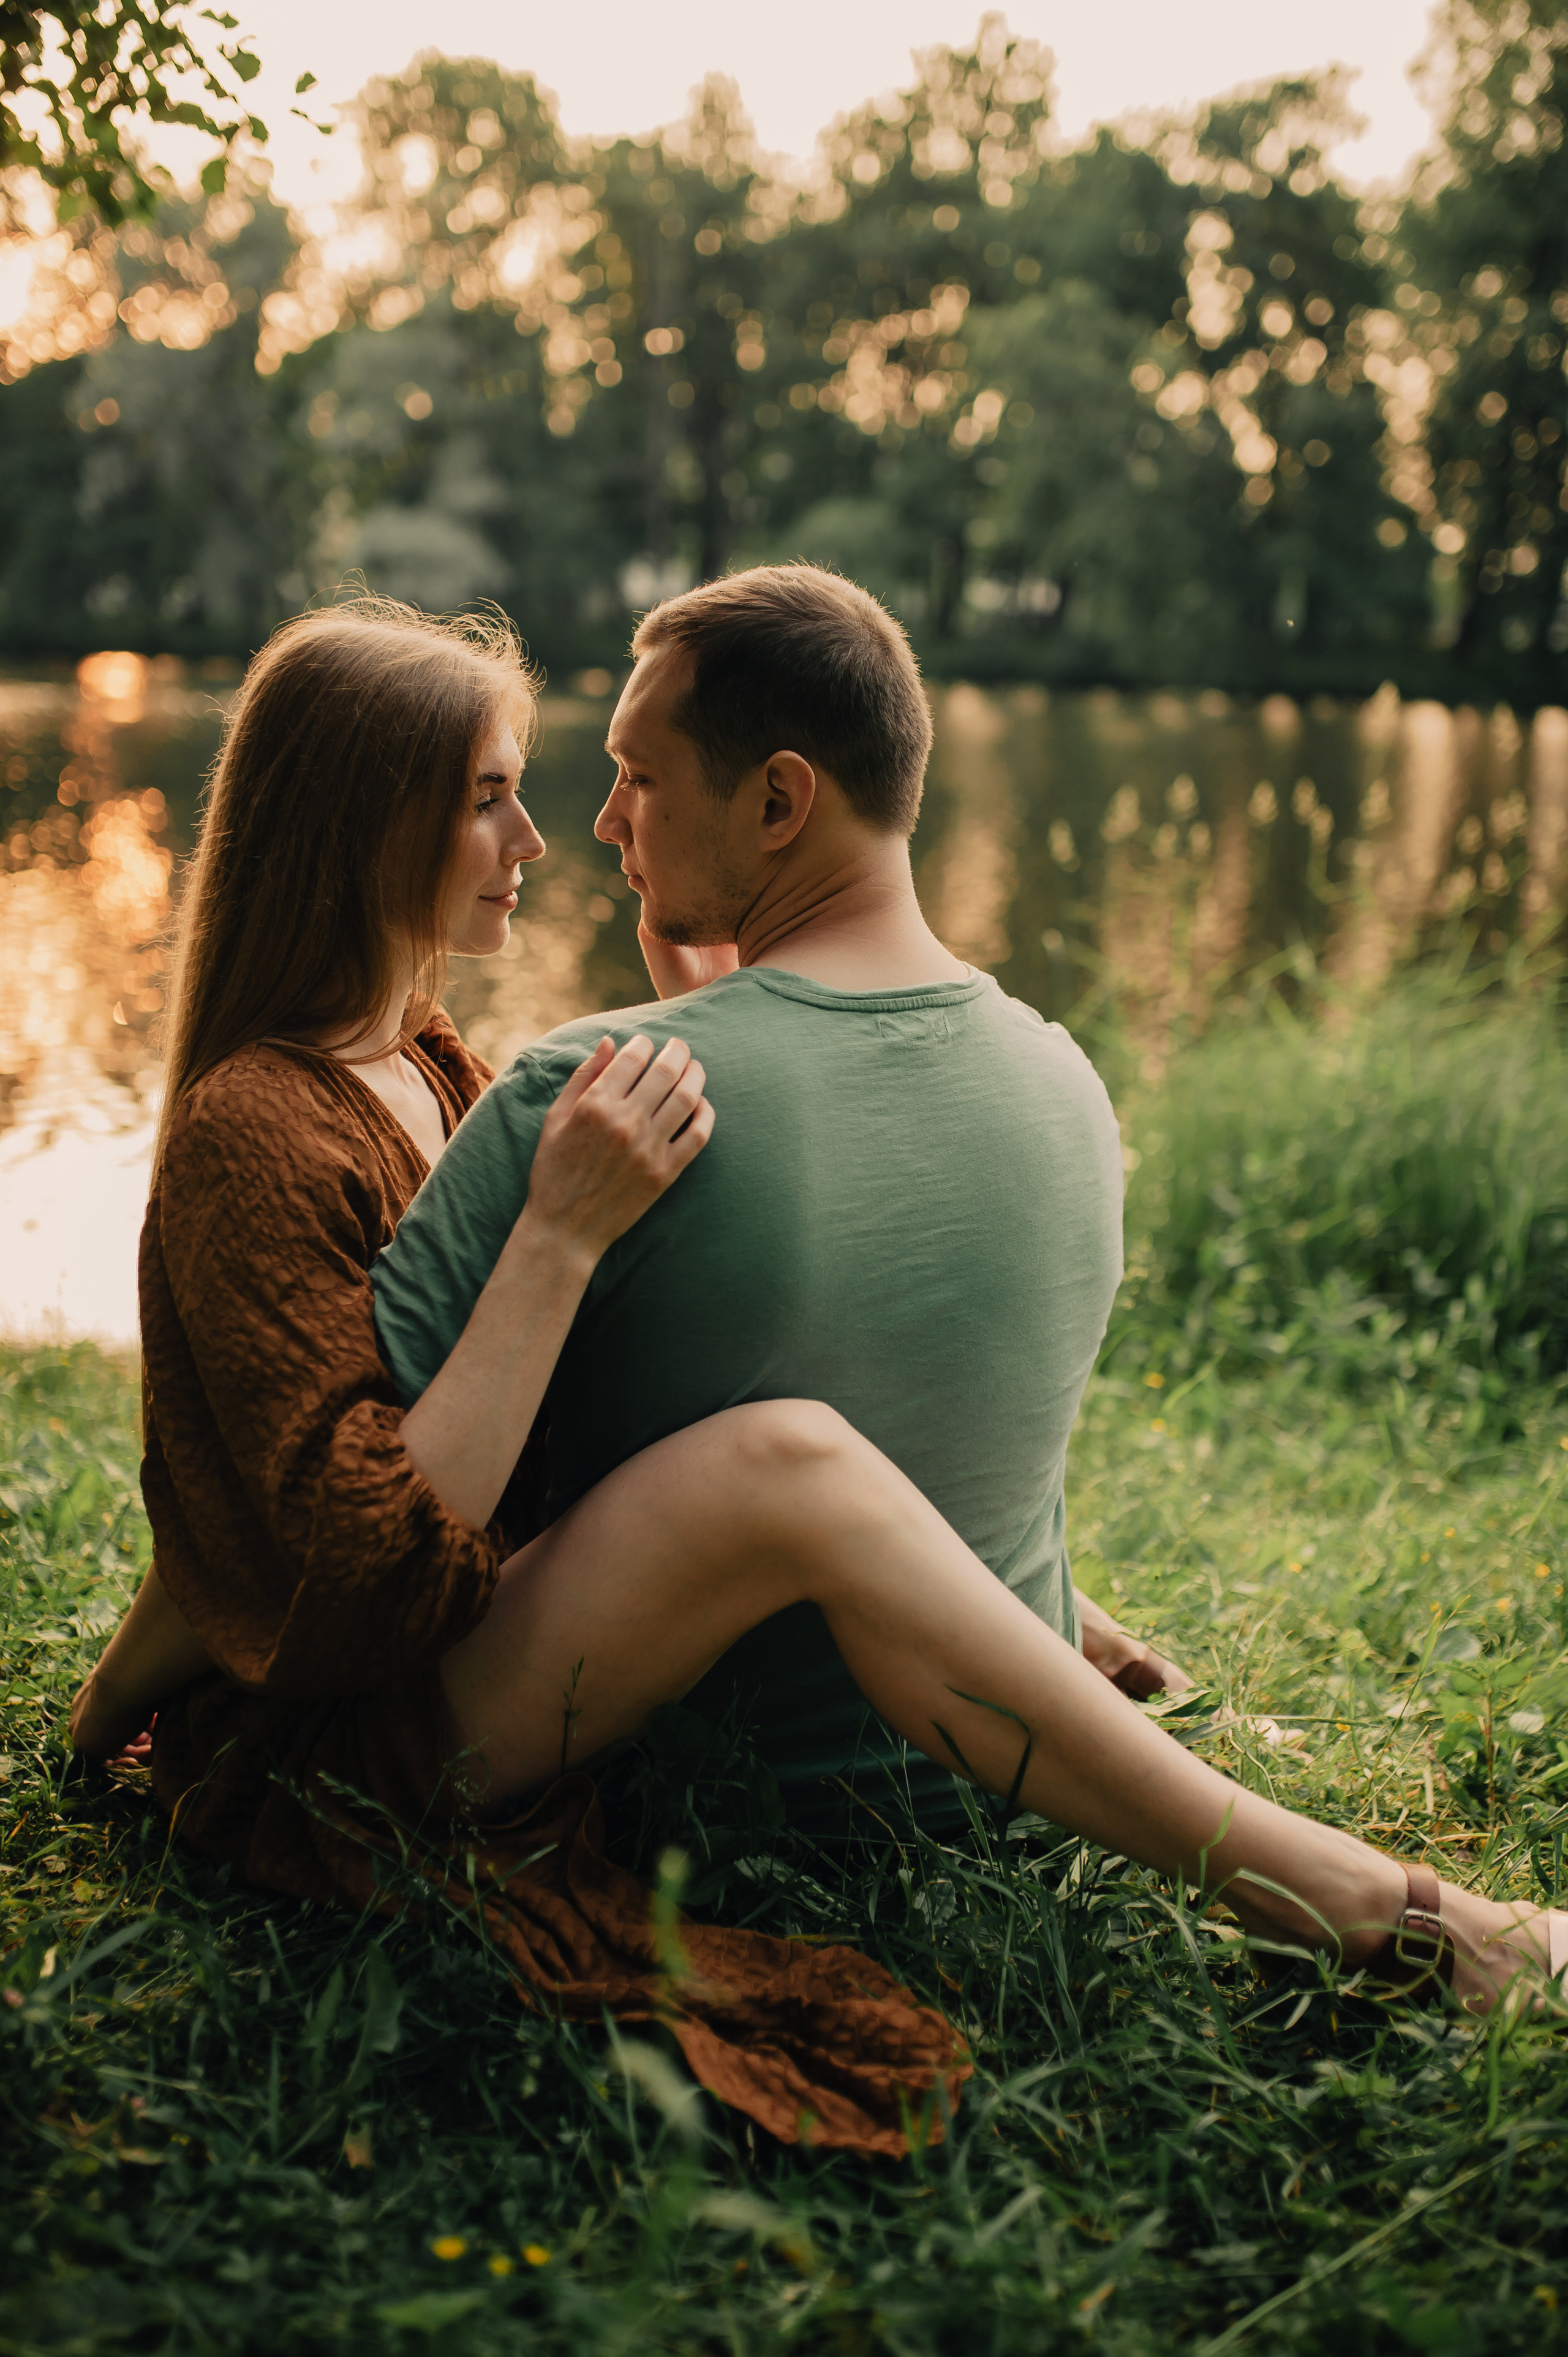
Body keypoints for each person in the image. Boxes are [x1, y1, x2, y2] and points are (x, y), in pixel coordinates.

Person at [72, 593, 1562, 2106]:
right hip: (370, 1713)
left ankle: (1354, 1893)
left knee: (789, 1454)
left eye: (623, 781)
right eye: (493, 797)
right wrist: (113, 1713)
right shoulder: (1057, 1076)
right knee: (782, 1461)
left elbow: (574, 1391)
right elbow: (280, 1516)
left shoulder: (471, 1072)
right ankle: (1358, 1899)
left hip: (512, 1671)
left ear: (779, 797)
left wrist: (707, 1051)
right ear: (354, 824)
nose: (564, 834)